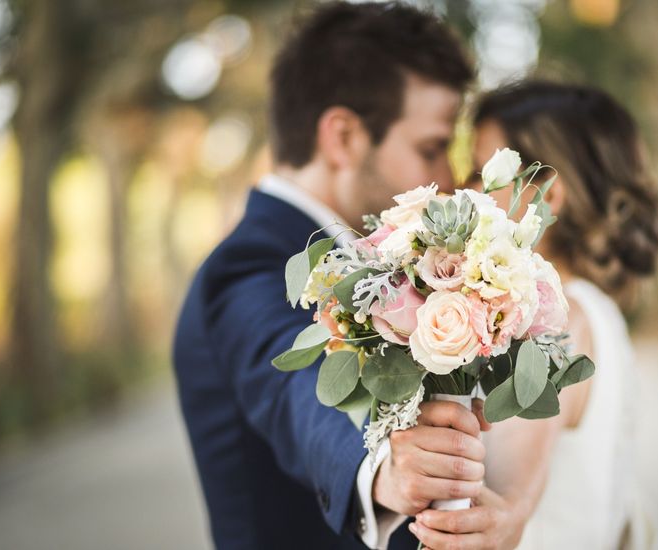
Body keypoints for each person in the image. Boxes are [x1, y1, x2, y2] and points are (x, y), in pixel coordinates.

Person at [172, 3, 527, 549]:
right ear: (342, 137)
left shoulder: (380, 263)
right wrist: (382, 460)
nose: (450, 179)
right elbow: (295, 388)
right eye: (431, 149)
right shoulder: (246, 268)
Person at [411, 81, 658, 549]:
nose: (462, 187)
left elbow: (499, 507)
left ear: (547, 197)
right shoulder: (595, 309)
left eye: (481, 172)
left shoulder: (554, 321)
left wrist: (506, 511)